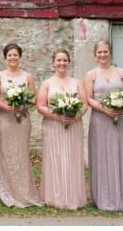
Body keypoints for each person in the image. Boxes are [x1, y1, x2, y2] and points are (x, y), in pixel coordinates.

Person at [83, 39, 123, 211]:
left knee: (120, 154)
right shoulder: (91, 74)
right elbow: (88, 98)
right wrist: (105, 109)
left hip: (120, 119)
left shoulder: (121, 72)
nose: (102, 54)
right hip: (100, 120)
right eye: (99, 52)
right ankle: (104, 197)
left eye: (105, 51)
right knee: (103, 155)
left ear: (110, 52)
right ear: (95, 54)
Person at [0, 43, 43, 208]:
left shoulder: (27, 76)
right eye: (9, 55)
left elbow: (34, 98)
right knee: (7, 154)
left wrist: (23, 105)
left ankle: (24, 192)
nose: (12, 58)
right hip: (6, 120)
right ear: (5, 58)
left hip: (22, 120)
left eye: (15, 55)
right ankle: (9, 192)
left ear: (20, 57)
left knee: (21, 153)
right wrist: (8, 107)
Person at [36, 49, 87, 210]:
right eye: (58, 60)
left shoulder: (77, 83)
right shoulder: (47, 83)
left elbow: (85, 103)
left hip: (73, 125)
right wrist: (57, 116)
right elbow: (40, 106)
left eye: (64, 60)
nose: (62, 63)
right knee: (55, 158)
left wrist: (76, 116)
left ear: (69, 62)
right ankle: (54, 196)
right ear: (53, 63)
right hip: (53, 126)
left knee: (72, 158)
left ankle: (73, 196)